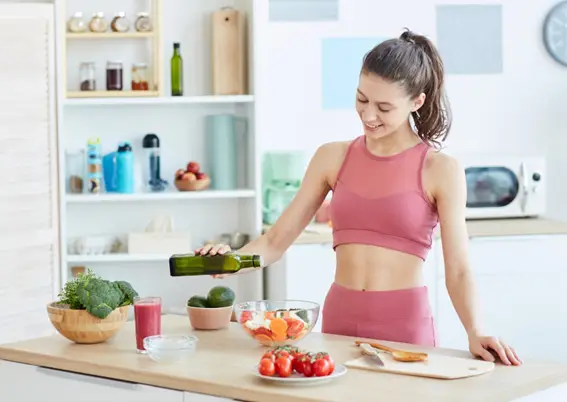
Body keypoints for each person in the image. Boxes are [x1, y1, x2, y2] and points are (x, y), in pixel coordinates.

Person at [195, 28, 522, 366]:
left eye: (383, 107)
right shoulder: (332, 157)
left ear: (416, 101)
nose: (368, 115)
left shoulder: (440, 169)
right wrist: (231, 261)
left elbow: (458, 269)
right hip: (339, 322)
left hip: (404, 326)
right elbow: (275, 241)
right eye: (361, 99)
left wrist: (475, 329)